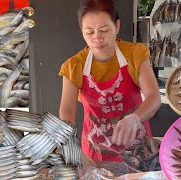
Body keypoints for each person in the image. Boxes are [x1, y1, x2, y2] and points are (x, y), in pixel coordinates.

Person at [59, 0, 161, 162]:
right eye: (89, 32)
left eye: (104, 30)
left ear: (117, 26)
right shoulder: (74, 66)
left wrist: (134, 118)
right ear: (82, 32)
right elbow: (67, 112)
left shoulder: (135, 54)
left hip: (139, 150)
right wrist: (69, 144)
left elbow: (154, 97)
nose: (97, 38)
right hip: (95, 153)